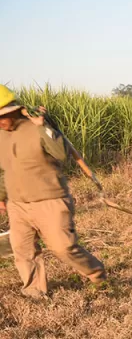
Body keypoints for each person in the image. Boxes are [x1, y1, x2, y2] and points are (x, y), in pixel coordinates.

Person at [0, 85, 107, 299]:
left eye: (1, 116)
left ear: (12, 110)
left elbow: (60, 154)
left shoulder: (37, 127)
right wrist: (2, 197)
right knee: (23, 251)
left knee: (63, 247)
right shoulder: (1, 136)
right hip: (18, 204)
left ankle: (96, 274)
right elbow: (5, 170)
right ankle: (34, 291)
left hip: (50, 200)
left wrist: (42, 126)